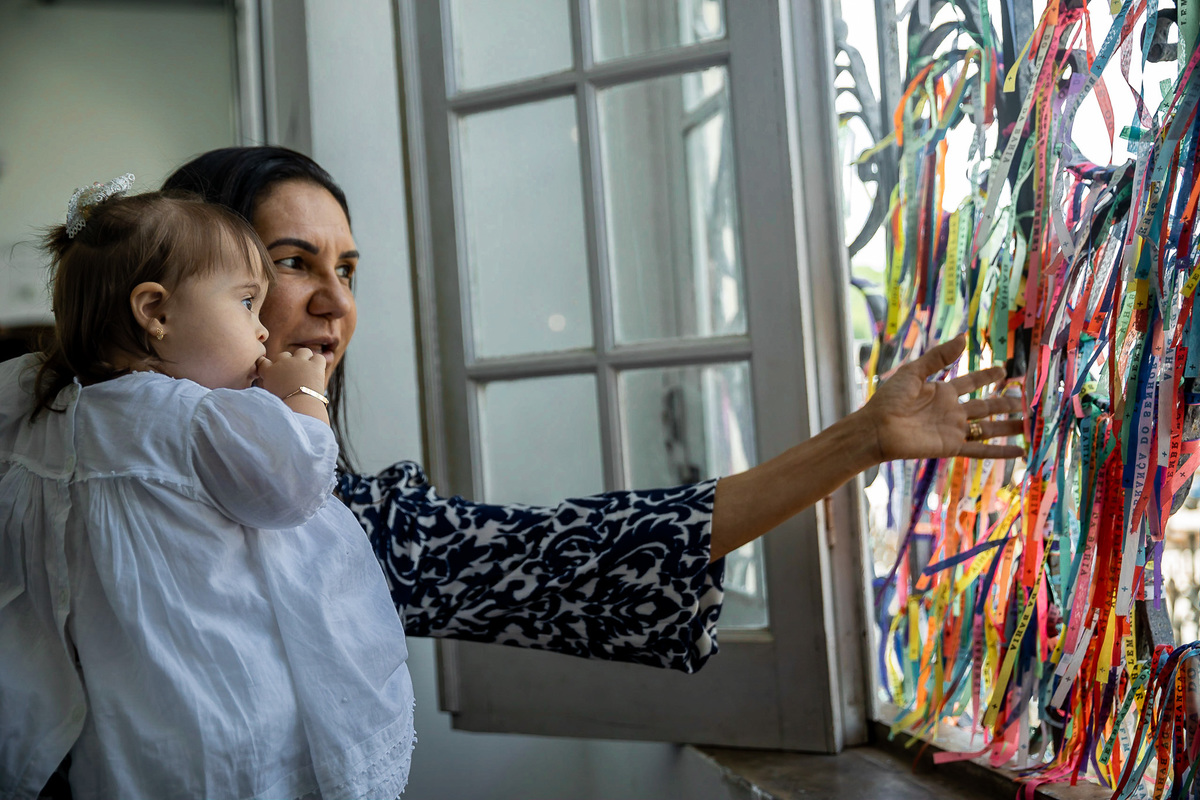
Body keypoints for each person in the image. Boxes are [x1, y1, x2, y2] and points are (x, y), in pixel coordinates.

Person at [160, 146, 1024, 672]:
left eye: (348, 270)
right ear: (188, 282)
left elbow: (575, 552)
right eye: (294, 262)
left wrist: (862, 439)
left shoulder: (347, 524)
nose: (338, 303)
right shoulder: (109, 464)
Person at [0, 182, 415, 799]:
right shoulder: (196, 419)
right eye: (247, 302)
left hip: (123, 720)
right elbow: (296, 488)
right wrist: (303, 396)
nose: (262, 331)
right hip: (229, 704)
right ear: (156, 312)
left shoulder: (43, 407)